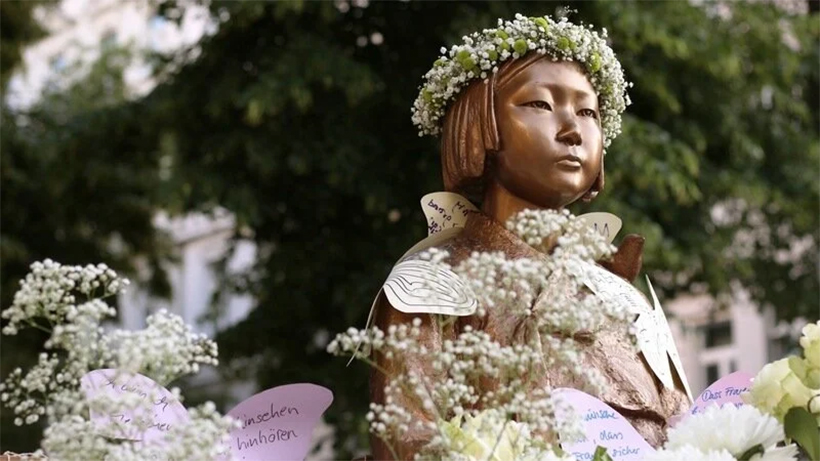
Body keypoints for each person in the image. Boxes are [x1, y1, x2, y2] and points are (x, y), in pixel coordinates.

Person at [370, 15, 690, 459]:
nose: (572, 130)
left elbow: (686, 429)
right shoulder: (433, 284)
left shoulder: (621, 295)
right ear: (479, 124)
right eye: (540, 104)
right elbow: (407, 441)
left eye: (588, 112)